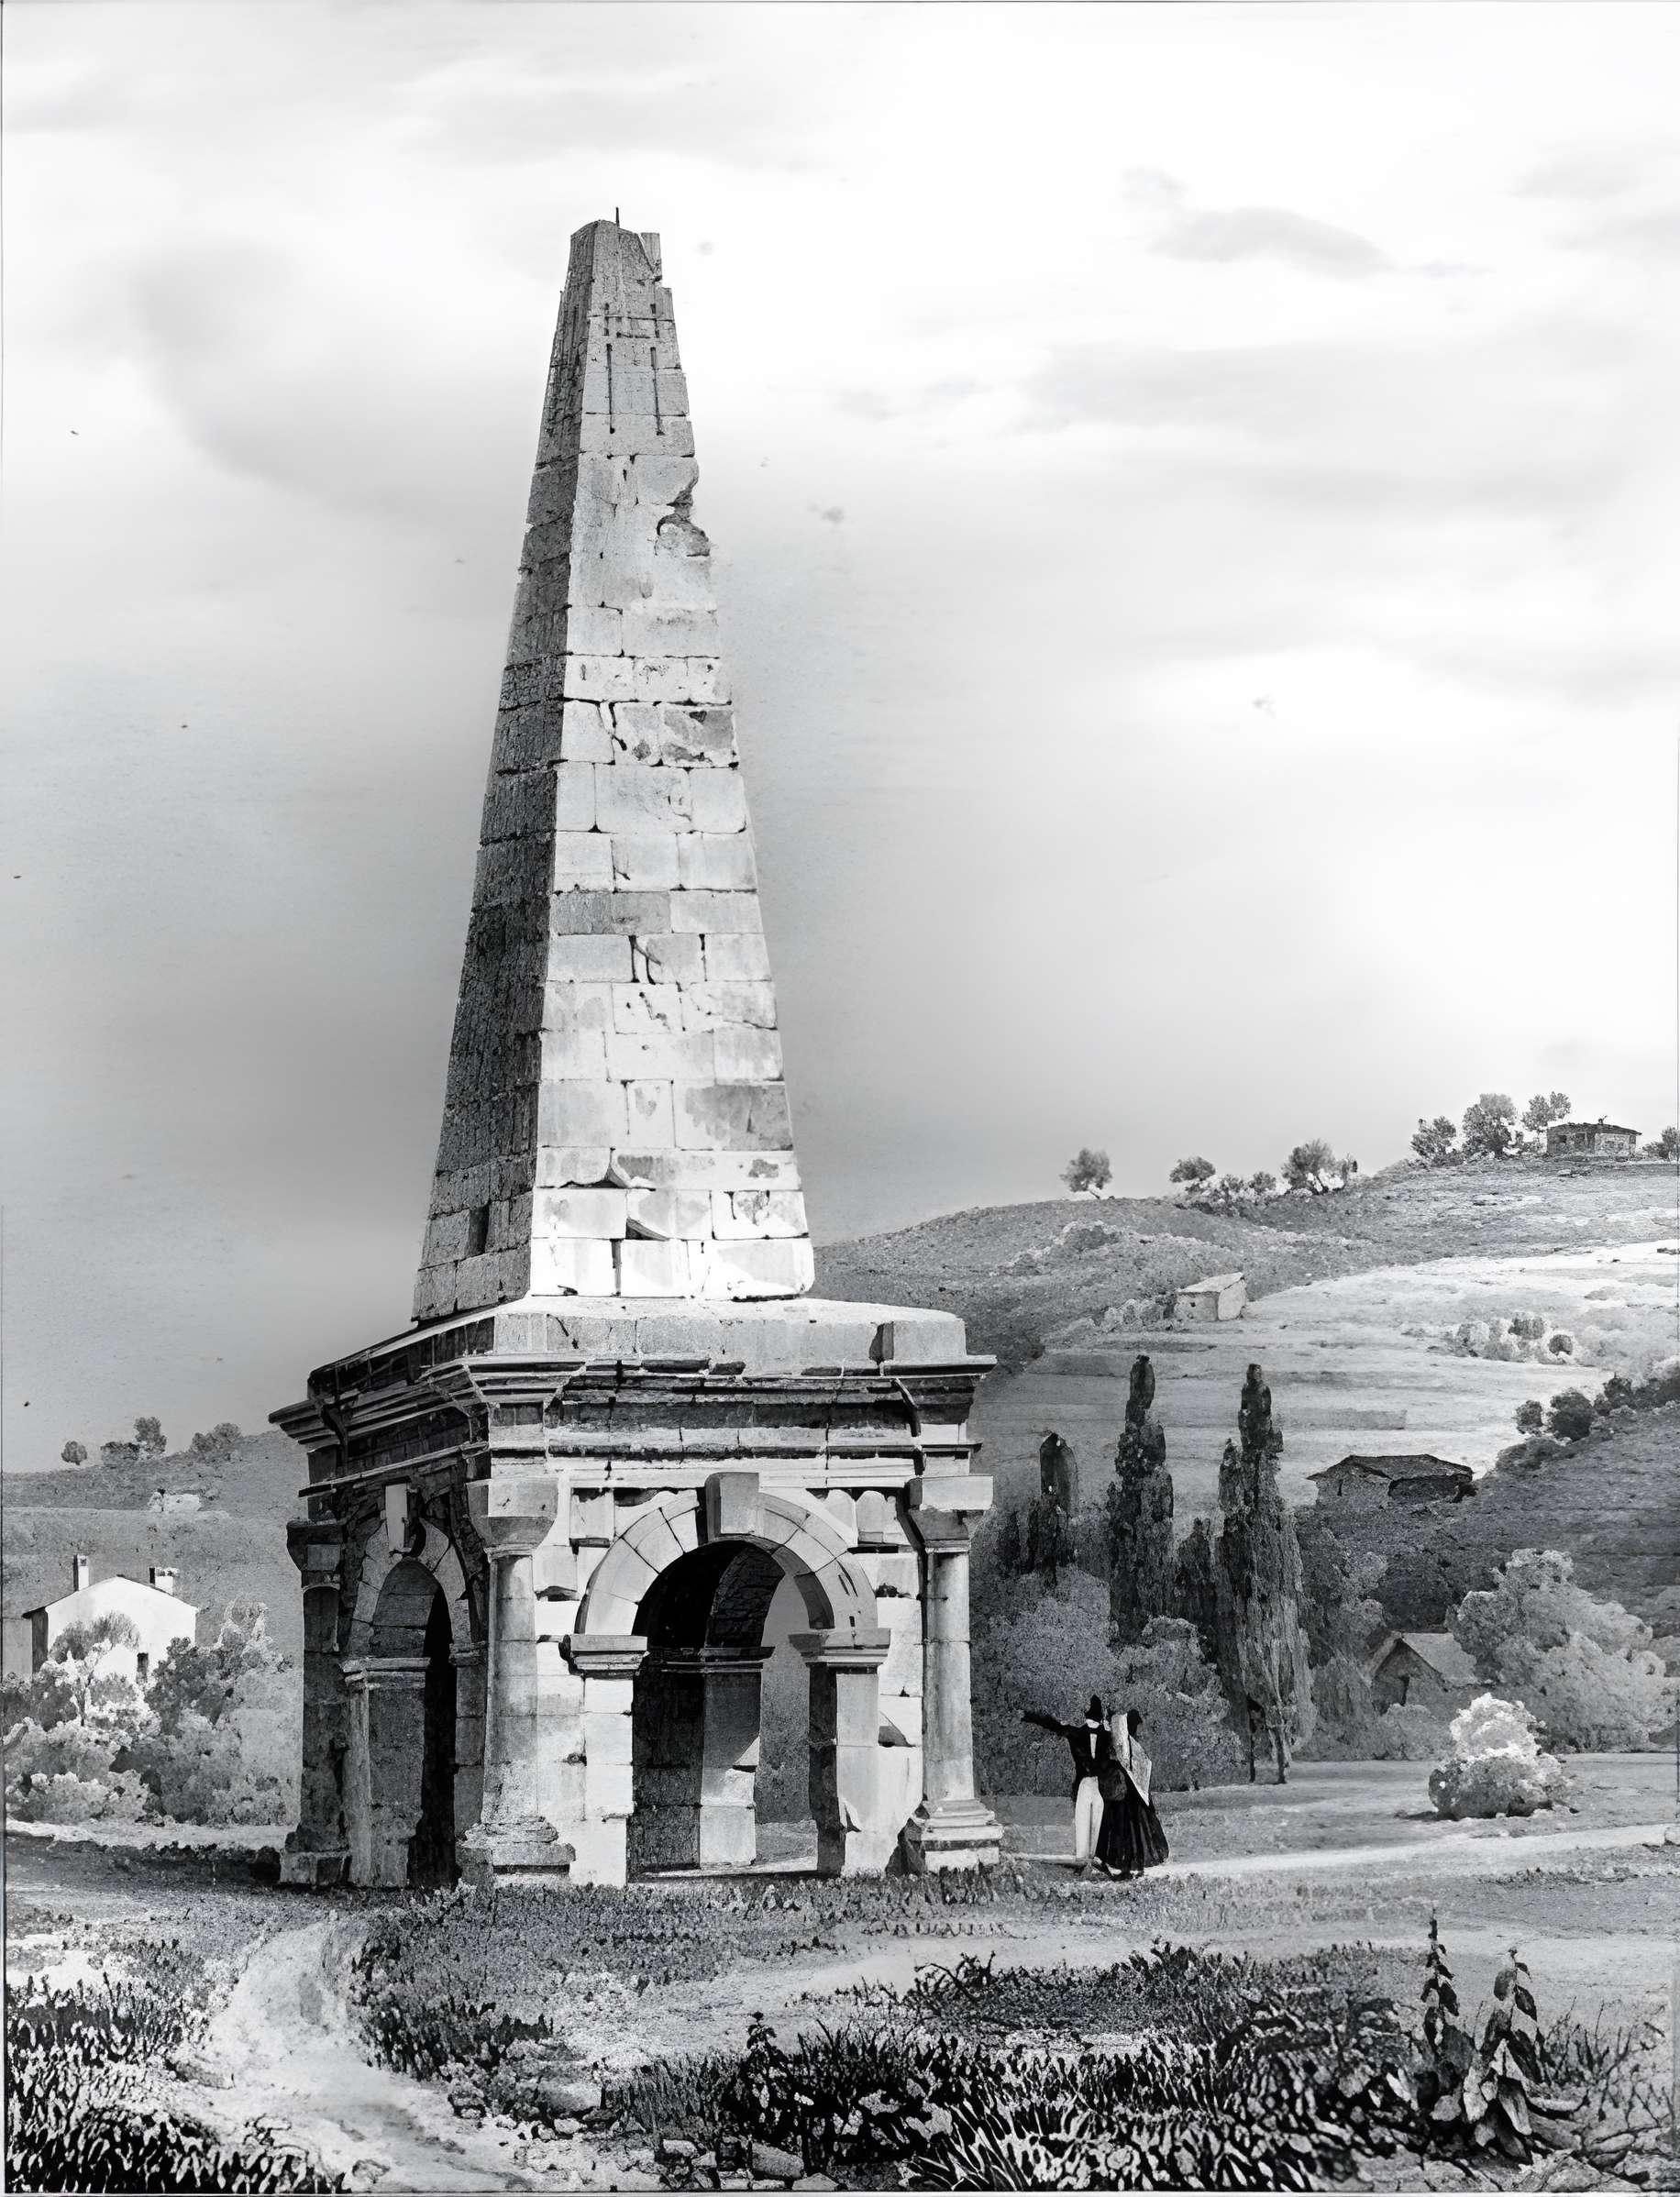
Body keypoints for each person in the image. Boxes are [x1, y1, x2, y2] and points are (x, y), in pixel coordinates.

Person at [1022, 1693, 1112, 1874]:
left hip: (1093, 1784)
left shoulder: (1087, 1733)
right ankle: (1088, 1860)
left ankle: (1088, 1861)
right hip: (1093, 1783)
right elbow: (1053, 1726)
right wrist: (1030, 1717)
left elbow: (1054, 1725)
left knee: (1090, 1821)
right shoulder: (1097, 1734)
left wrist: (1030, 1716)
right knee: (1092, 1821)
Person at [1095, 1706, 1169, 1878]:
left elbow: (1126, 1756)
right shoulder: (1127, 1740)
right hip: (1125, 1786)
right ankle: (1125, 1863)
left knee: (1126, 1824)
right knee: (1125, 1824)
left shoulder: (1126, 1739)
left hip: (1126, 1787)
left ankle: (1125, 1863)